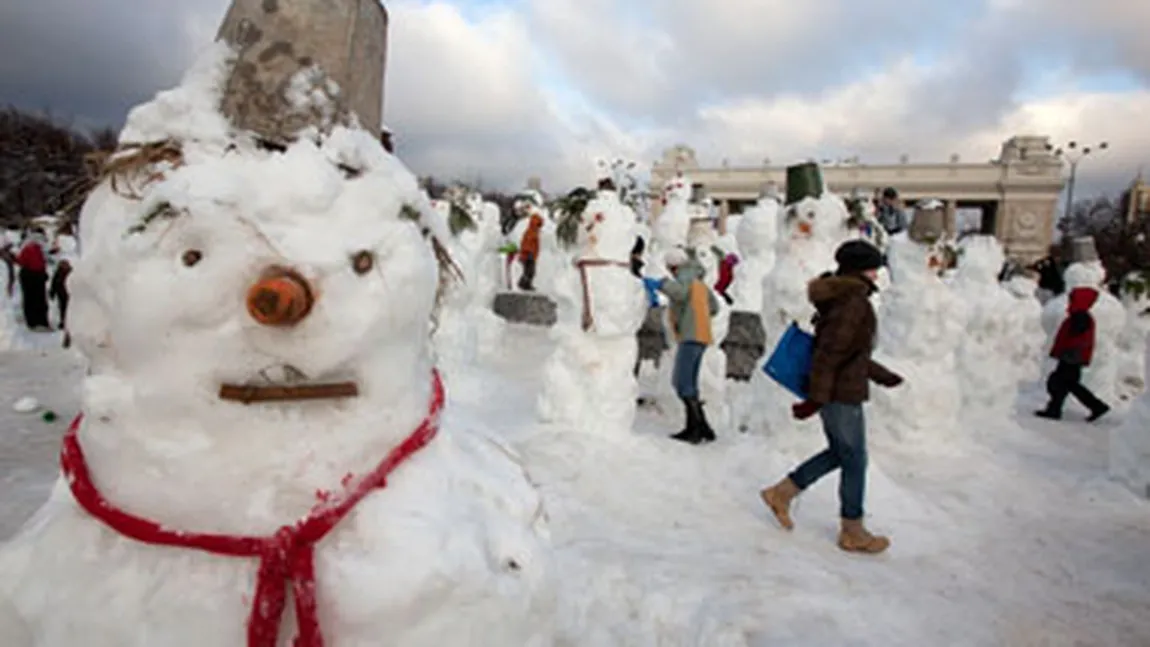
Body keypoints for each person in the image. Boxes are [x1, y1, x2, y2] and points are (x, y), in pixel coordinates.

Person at [759, 240, 904, 554]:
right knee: (854, 458)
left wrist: (880, 375)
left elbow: (849, 353)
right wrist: (815, 399)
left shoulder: (847, 299)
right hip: (839, 393)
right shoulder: (853, 303)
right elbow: (828, 355)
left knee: (843, 453)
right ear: (858, 270)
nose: (877, 275)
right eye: (872, 268)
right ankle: (852, 529)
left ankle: (782, 493)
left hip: (839, 389)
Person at [655, 248, 719, 444]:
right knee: (689, 382)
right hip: (701, 336)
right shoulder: (699, 282)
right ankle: (703, 427)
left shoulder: (685, 279)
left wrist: (661, 284)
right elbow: (714, 307)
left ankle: (694, 429)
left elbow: (680, 293)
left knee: (682, 382)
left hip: (691, 336)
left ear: (675, 267)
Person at [1035, 286, 1110, 422]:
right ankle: (1056, 408)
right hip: (1073, 356)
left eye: (1072, 299)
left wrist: (1063, 351)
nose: (1069, 301)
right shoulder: (1080, 316)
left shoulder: (1080, 316)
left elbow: (1074, 338)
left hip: (1071, 357)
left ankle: (1095, 406)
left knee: (1061, 382)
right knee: (1066, 383)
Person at [15, 230, 51, 331]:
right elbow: (43, 262)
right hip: (37, 276)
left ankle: (32, 321)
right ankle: (41, 321)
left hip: (28, 275)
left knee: (29, 298)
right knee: (39, 298)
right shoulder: (39, 248)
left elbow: (20, 261)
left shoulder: (26, 247)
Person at [517, 210, 544, 291]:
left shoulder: (533, 231)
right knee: (529, 271)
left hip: (530, 255)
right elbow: (527, 243)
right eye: (539, 224)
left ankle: (526, 284)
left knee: (530, 271)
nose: (540, 227)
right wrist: (529, 253)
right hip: (528, 256)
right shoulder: (531, 232)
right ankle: (523, 284)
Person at [49, 257, 72, 330]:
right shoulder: (58, 273)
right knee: (62, 308)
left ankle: (67, 322)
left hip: (68, 294)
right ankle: (63, 321)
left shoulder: (71, 272)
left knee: (67, 308)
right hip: (61, 294)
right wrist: (52, 292)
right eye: (63, 265)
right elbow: (53, 284)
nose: (64, 266)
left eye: (65, 265)